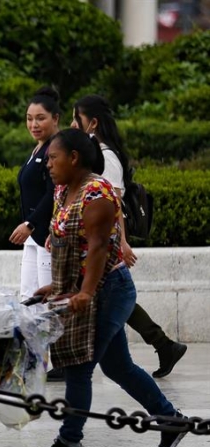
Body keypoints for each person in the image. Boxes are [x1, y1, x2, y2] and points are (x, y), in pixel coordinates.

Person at [39, 129, 184, 447]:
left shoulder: (98, 193)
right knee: (119, 367)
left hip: (110, 291)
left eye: (53, 157)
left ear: (73, 158)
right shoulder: (63, 190)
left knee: (79, 367)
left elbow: (99, 247)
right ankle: (171, 419)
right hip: (86, 290)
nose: (47, 164)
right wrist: (55, 286)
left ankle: (68, 440)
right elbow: (72, 247)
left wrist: (87, 292)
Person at [70, 94, 187, 378]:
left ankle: (160, 345)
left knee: (111, 296)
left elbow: (113, 204)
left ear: (93, 123)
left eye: (77, 119)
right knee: (111, 297)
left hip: (106, 241)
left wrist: (121, 243)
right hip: (99, 240)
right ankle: (163, 344)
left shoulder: (105, 157)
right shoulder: (96, 152)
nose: (72, 124)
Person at [10, 86, 61, 298]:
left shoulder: (56, 149)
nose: (34, 124)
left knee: (47, 302)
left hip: (47, 235)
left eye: (41, 118)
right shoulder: (38, 149)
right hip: (33, 235)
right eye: (29, 119)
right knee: (27, 297)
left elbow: (53, 192)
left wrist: (30, 223)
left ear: (55, 118)